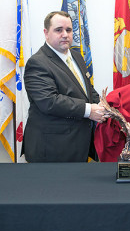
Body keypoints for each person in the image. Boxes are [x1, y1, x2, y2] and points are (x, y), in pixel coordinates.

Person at [22, 11, 105, 162]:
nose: (65, 34)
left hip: (78, 144)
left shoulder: (77, 56)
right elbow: (49, 101)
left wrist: (103, 104)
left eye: (69, 30)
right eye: (58, 30)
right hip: (52, 149)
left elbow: (86, 90)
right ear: (46, 33)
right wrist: (89, 110)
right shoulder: (38, 63)